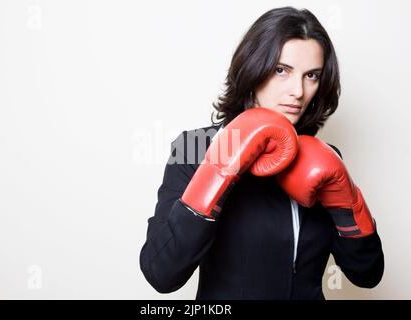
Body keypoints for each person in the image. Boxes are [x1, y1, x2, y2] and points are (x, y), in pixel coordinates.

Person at [139, 6, 384, 300]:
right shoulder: (195, 148)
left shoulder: (325, 157)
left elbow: (367, 274)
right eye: (282, 70)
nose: (298, 91)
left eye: (312, 75)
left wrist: (350, 205)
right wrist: (217, 170)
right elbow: (161, 273)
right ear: (254, 68)